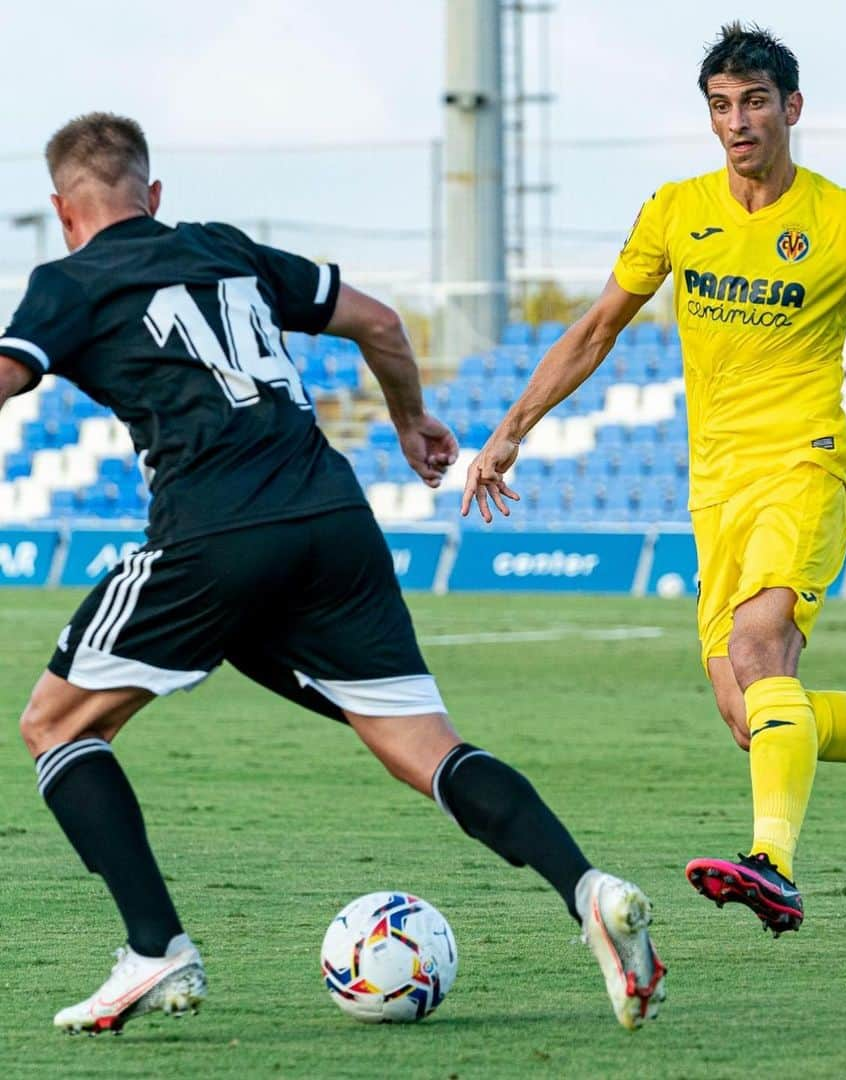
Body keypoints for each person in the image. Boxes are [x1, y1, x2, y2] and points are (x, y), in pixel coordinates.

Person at [1, 113, 665, 1034]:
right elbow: (382, 323)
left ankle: (157, 950)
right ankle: (589, 890)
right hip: (334, 520)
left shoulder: (67, 277)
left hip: (214, 529)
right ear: (153, 196)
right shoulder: (224, 248)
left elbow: (9, 373)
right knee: (428, 749)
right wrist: (410, 420)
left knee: (53, 723)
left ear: (62, 213)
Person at [463, 23, 846, 936]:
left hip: (805, 466)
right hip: (715, 487)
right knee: (755, 718)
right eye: (721, 105)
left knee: (759, 654)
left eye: (755, 102)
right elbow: (596, 328)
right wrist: (510, 430)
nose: (737, 122)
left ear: (792, 108)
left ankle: (773, 867)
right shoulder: (676, 211)